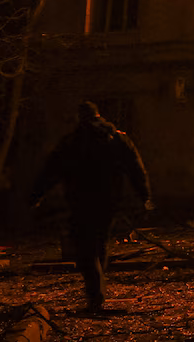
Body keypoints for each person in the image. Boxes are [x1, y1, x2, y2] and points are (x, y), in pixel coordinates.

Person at [30, 101, 152, 311]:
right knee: (100, 242)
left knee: (85, 248)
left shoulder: (72, 142)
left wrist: (36, 195)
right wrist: (145, 196)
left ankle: (96, 294)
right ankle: (97, 292)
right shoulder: (117, 138)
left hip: (81, 201)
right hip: (109, 201)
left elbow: (51, 170)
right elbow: (136, 168)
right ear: (98, 116)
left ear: (80, 118)